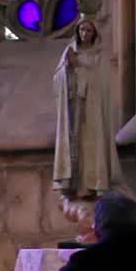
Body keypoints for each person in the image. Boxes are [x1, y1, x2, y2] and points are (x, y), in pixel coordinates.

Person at [53, 18, 122, 199]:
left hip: (92, 109)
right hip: (74, 108)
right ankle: (73, 185)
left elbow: (100, 83)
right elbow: (57, 81)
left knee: (92, 144)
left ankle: (93, 185)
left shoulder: (99, 56)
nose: (85, 33)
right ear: (77, 32)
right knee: (76, 145)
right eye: (82, 30)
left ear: (94, 33)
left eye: (88, 30)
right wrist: (67, 69)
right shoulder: (69, 52)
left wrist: (79, 68)